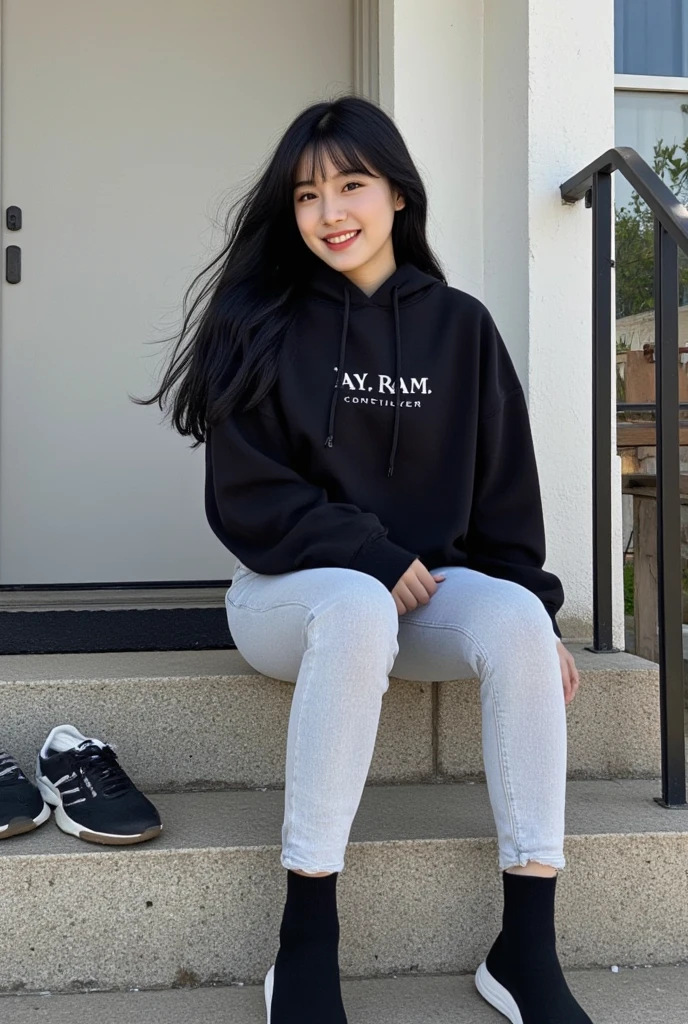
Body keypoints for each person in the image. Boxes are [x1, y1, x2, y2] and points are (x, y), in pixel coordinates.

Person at [137, 94, 592, 1024]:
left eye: (351, 185)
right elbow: (246, 497)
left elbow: (506, 494)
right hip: (288, 595)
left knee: (509, 616)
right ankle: (305, 943)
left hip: (417, 598)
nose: (329, 212)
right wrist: (368, 553)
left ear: (397, 195)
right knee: (353, 604)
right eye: (306, 195)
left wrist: (535, 618)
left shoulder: (461, 328)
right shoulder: (261, 318)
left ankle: (526, 948)